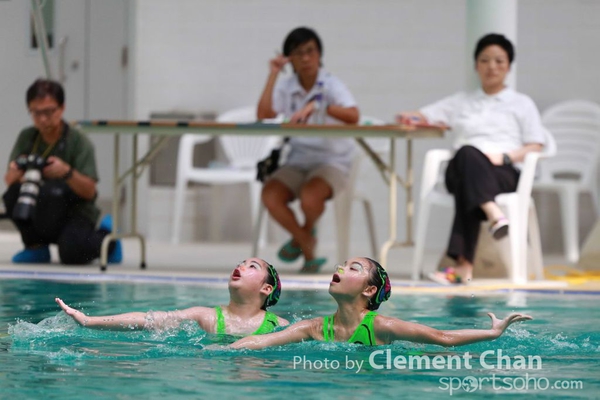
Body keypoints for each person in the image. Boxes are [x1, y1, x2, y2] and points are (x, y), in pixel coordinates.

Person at [397, 33, 548, 285]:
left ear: (509, 66)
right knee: (467, 154)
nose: (492, 66)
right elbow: (420, 115)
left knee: (470, 181)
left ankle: (463, 266)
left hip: (502, 172)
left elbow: (536, 144)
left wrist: (507, 156)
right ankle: (492, 212)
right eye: (485, 60)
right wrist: (407, 117)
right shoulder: (461, 101)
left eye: (499, 61)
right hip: (460, 169)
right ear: (476, 65)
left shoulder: (522, 104)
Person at [230, 257, 531, 349]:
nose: (339, 270)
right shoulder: (314, 328)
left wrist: (493, 333)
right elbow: (265, 340)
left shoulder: (382, 327)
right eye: (341, 265)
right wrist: (223, 350)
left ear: (369, 291)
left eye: (353, 269)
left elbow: (442, 337)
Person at [257, 27, 360, 274]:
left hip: (331, 161)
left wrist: (320, 107)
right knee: (270, 194)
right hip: (298, 159)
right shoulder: (287, 85)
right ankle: (305, 239)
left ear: (319, 54)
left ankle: (303, 242)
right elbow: (263, 116)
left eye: (310, 51)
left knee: (310, 195)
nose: (305, 58)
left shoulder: (331, 84)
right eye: (298, 53)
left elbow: (353, 115)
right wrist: (273, 74)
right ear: (289, 58)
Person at [3, 79, 122, 265]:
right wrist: (20, 171)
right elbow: (9, 180)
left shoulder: (78, 142)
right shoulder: (27, 137)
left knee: (71, 253)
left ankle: (109, 239)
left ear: (62, 108)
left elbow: (90, 191)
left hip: (74, 211)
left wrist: (66, 172)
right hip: (41, 207)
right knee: (12, 196)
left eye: (49, 112)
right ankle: (35, 247)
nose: (43, 119)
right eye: (36, 112)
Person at [56, 258, 289, 336]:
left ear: (266, 289)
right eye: (241, 262)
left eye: (252, 266)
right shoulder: (206, 317)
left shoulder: (279, 326)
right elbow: (150, 319)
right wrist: (90, 320)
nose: (241, 265)